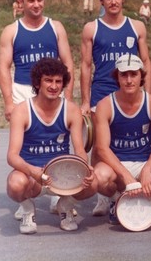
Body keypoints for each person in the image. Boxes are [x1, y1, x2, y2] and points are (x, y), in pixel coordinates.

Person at [0, 0, 74, 218]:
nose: (36, 4)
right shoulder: (11, 31)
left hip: (53, 90)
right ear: (20, 3)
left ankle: (57, 193)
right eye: (31, 0)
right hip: (23, 91)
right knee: (24, 148)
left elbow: (68, 63)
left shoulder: (56, 27)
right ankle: (26, 200)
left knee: (56, 143)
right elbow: (3, 67)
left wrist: (69, 97)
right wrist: (9, 102)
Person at [80, 0, 151, 216]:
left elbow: (146, 62)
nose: (113, 2)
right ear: (101, 0)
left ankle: (128, 188)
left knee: (132, 143)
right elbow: (85, 65)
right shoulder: (92, 28)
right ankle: (103, 196)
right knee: (100, 149)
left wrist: (149, 95)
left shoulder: (137, 27)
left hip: (131, 94)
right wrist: (85, 100)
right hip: (102, 92)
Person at [6, 58, 98, 234]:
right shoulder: (22, 110)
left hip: (62, 174)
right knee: (15, 183)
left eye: (58, 81)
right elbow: (12, 156)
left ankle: (66, 205)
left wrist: (85, 167)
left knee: (94, 183)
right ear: (37, 82)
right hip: (33, 174)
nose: (54, 86)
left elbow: (79, 149)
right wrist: (34, 172)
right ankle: (27, 210)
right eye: (48, 80)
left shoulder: (71, 110)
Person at [93, 54, 151, 224]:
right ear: (117, 77)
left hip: (144, 161)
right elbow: (102, 149)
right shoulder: (105, 105)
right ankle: (117, 199)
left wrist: (148, 170)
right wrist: (126, 176)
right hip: (117, 164)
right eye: (124, 75)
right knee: (98, 176)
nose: (129, 80)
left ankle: (145, 196)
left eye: (133, 74)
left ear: (141, 76)